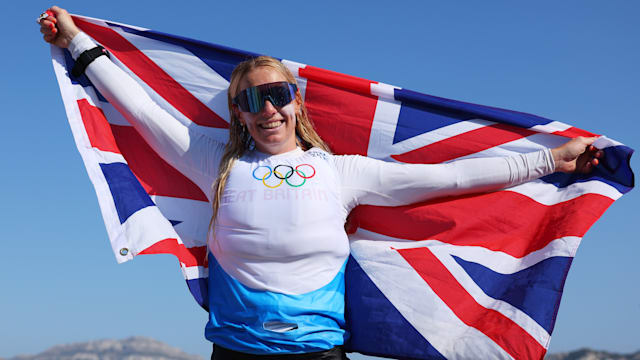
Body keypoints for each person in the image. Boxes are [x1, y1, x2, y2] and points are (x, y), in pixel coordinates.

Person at [39, 6, 602, 360]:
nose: (268, 110)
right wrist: (76, 44)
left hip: (320, 355)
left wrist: (552, 160)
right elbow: (144, 111)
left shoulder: (343, 172)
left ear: (295, 100)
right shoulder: (217, 165)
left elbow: (450, 175)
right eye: (251, 101)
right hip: (236, 353)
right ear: (237, 112)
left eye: (277, 95)